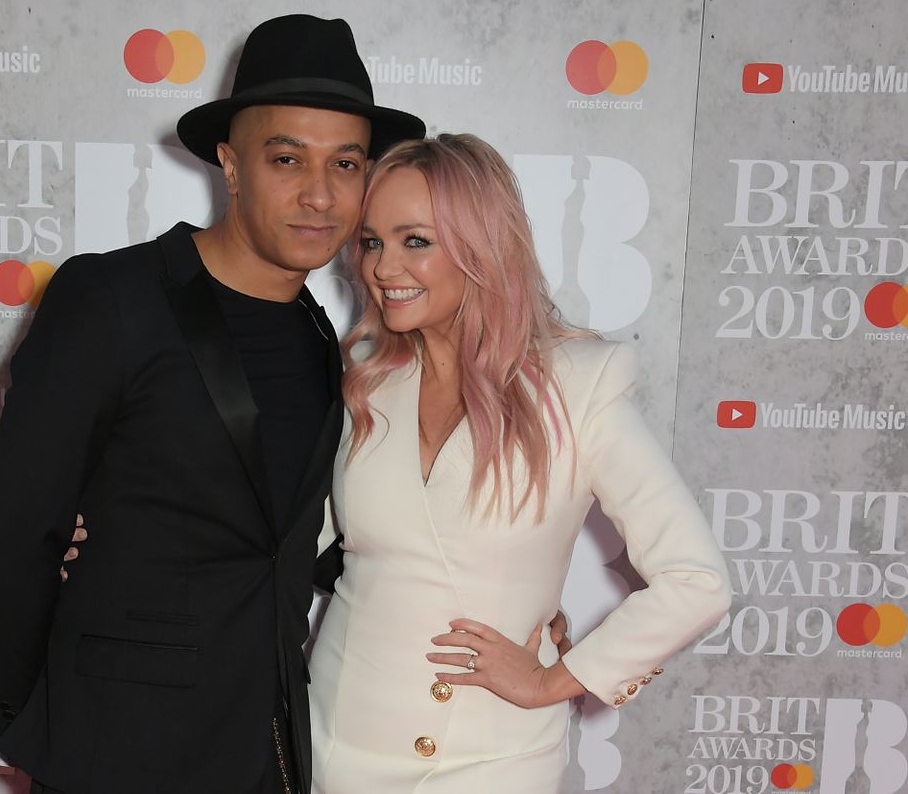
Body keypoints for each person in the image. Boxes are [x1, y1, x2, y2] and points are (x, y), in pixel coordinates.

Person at [0, 14, 424, 794]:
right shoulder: (112, 297)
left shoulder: (324, 335)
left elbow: (299, 538)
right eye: (287, 158)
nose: (319, 194)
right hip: (118, 750)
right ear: (231, 163)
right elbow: (15, 540)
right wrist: (41, 725)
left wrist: (495, 587)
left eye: (345, 164)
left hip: (268, 743)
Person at [306, 134, 731, 792]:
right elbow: (286, 541)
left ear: (481, 246)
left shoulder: (577, 385)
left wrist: (554, 680)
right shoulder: (363, 380)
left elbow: (697, 579)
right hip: (335, 741)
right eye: (371, 241)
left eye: (414, 240)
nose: (383, 268)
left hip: (491, 761)